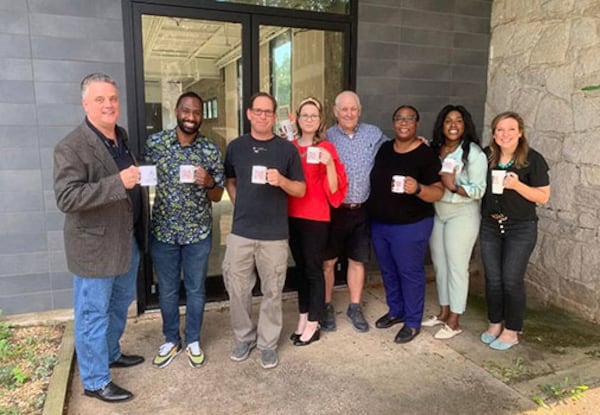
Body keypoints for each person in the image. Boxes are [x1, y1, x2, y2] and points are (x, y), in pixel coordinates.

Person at [53, 73, 145, 403]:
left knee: (119, 305)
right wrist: (118, 182)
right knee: (93, 313)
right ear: (85, 104)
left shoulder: (121, 137)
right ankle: (94, 380)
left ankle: (109, 353)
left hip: (126, 241)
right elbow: (67, 198)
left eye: (113, 99)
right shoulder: (72, 146)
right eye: (100, 99)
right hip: (94, 248)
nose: (109, 104)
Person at [223, 92, 305, 368]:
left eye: (268, 112)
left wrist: (281, 180)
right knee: (237, 290)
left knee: (272, 291)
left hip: (274, 234)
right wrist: (239, 202)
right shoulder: (236, 147)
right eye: (258, 111)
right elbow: (230, 180)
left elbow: (301, 189)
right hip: (241, 232)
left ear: (274, 116)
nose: (262, 116)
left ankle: (267, 344)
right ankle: (244, 338)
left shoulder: (286, 150)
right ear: (249, 113)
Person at [145, 92, 225, 368]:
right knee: (167, 290)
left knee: (195, 289)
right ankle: (171, 339)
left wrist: (209, 181)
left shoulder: (210, 150)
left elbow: (217, 196)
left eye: (196, 113)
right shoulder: (155, 144)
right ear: (176, 111)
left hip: (198, 234)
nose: (191, 117)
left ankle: (192, 340)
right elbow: (142, 180)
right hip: (163, 232)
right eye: (186, 111)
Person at [368, 105, 444, 344]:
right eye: (399, 118)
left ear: (416, 124)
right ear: (393, 123)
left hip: (411, 225)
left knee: (410, 274)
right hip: (380, 225)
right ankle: (396, 310)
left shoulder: (425, 154)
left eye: (409, 119)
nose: (404, 123)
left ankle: (412, 322)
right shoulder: (384, 149)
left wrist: (418, 188)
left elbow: (438, 192)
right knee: (389, 271)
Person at [479, 111, 550, 350]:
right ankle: (495, 322)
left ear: (520, 133)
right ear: (494, 134)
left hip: (520, 228)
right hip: (490, 225)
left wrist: (517, 185)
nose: (505, 134)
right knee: (493, 279)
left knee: (511, 279)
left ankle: (512, 329)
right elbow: (462, 156)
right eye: (500, 129)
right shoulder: (486, 155)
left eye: (511, 129)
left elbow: (543, 196)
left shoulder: (533, 159)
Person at [322, 90, 389, 333]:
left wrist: (419, 142)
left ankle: (354, 306)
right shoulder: (326, 137)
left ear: (359, 111)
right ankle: (327, 305)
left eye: (353, 109)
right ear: (335, 112)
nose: (349, 113)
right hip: (333, 210)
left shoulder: (373, 134)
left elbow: (393, 150)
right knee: (328, 262)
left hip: (361, 210)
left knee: (357, 260)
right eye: (344, 109)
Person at [423, 105, 487, 339]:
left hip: (462, 213)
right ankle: (443, 312)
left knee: (457, 267)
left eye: (458, 121)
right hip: (439, 212)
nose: (453, 125)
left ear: (465, 125)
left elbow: (479, 190)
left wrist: (453, 186)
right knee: (440, 264)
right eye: (448, 120)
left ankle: (455, 320)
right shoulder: (435, 149)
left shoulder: (474, 153)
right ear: (442, 125)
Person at [287, 97, 348, 346]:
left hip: (316, 217)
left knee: (314, 270)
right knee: (301, 271)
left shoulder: (327, 149)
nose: (309, 119)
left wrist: (329, 164)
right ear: (298, 119)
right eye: (305, 115)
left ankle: (315, 321)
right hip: (292, 215)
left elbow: (334, 189)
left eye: (314, 115)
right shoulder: (289, 147)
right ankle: (303, 318)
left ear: (321, 120)